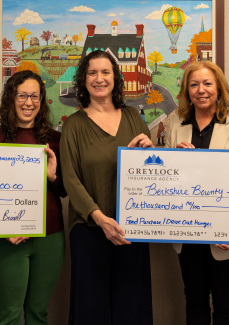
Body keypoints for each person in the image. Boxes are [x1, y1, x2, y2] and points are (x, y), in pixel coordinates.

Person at [61, 50, 155, 324]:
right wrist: (100, 218)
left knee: (132, 309)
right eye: (92, 73)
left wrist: (152, 152)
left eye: (105, 72)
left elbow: (152, 174)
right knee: (92, 311)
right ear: (83, 79)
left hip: (131, 229)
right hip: (89, 229)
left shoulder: (133, 117)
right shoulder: (73, 125)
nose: (99, 78)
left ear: (115, 78)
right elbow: (70, 179)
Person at [165, 60, 229, 325]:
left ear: (219, 88)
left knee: (226, 305)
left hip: (225, 235)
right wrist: (174, 161)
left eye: (207, 83)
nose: (201, 90)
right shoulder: (176, 123)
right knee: (194, 303)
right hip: (187, 232)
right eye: (194, 84)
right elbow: (166, 182)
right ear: (186, 90)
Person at [0, 70, 66, 325]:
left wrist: (52, 177)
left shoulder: (55, 140)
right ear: (10, 98)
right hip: (7, 238)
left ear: (42, 100)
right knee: (8, 314)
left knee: (38, 313)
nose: (29, 102)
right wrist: (1, 228)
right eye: (22, 95)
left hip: (50, 237)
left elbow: (64, 190)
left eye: (34, 96)